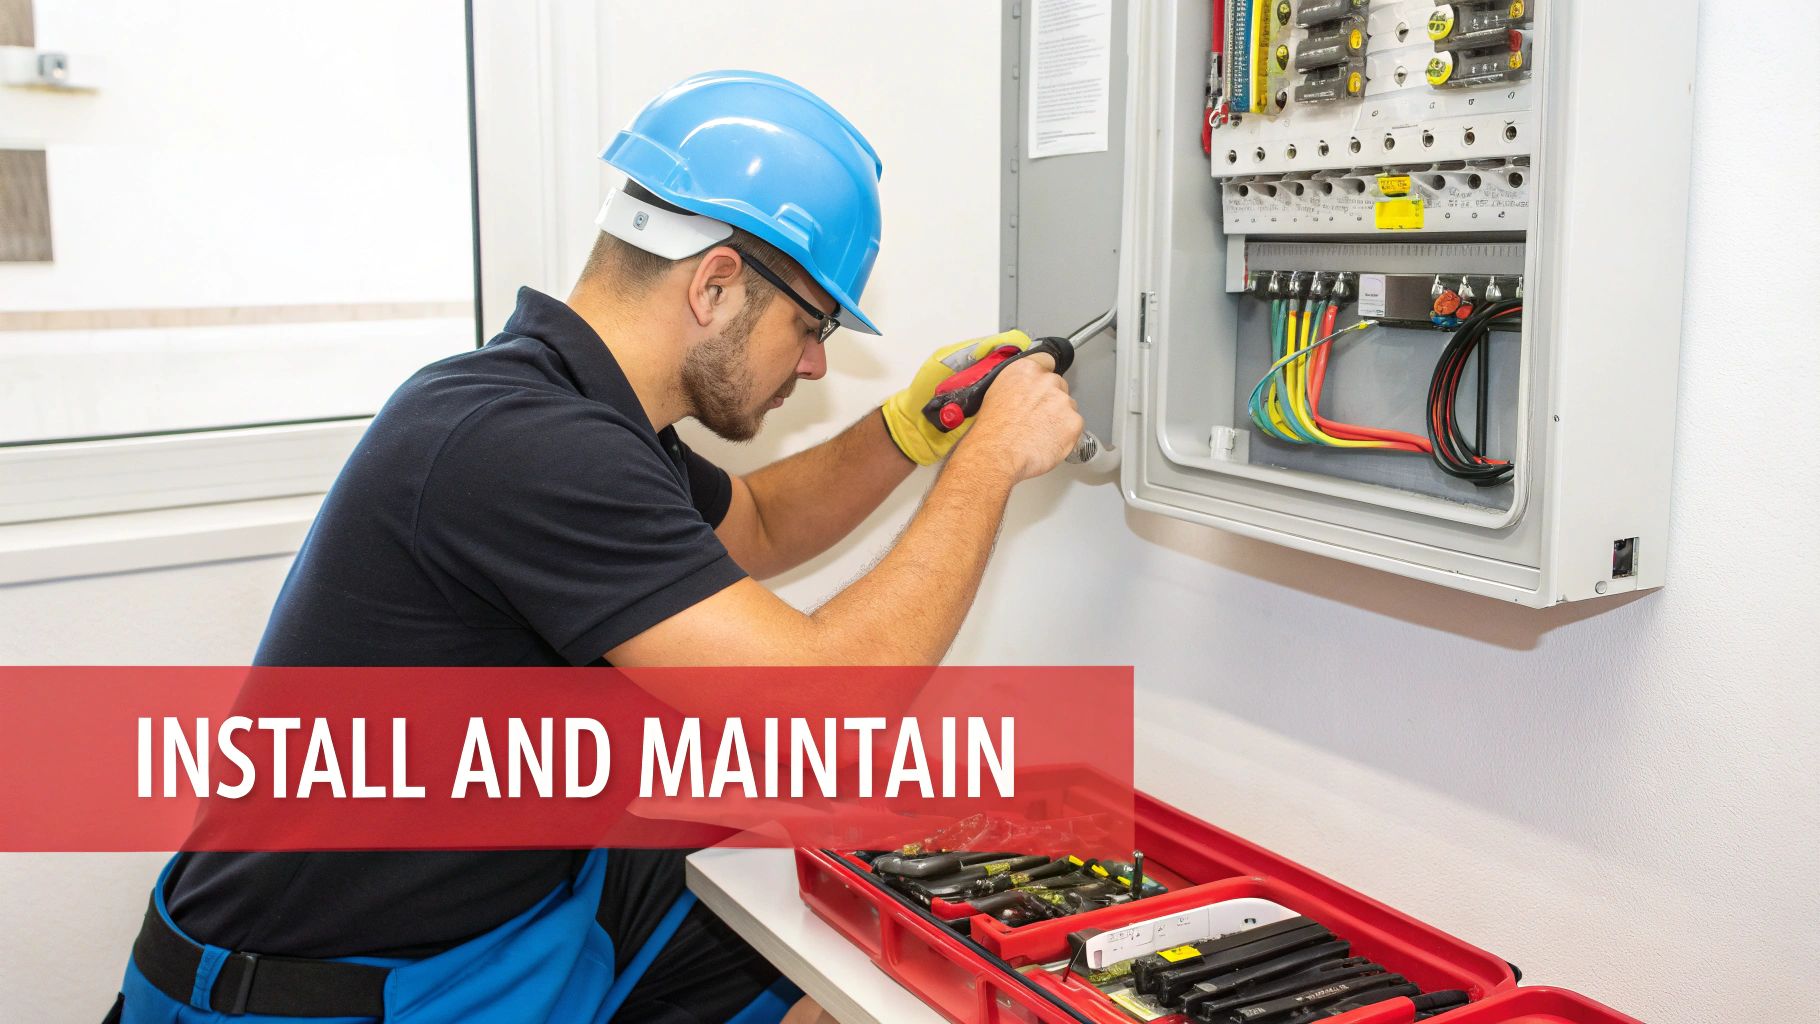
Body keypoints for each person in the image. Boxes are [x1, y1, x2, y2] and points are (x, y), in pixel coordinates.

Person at [107, 70, 1082, 1023]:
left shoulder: (576, 415)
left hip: (507, 910)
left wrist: (910, 430)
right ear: (714, 283)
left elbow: (760, 524)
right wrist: (987, 465)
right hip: (337, 991)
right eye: (811, 323)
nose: (817, 360)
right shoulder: (525, 447)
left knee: (818, 919)